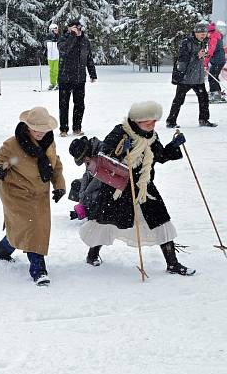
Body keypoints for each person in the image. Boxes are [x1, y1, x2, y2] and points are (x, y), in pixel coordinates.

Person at [79, 101, 195, 275]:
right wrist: (120, 152)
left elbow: (160, 156)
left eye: (154, 122)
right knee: (105, 222)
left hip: (143, 186)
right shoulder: (120, 131)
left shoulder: (151, 137)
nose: (152, 125)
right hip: (117, 187)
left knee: (160, 220)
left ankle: (172, 263)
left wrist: (174, 146)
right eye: (148, 123)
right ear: (136, 121)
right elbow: (103, 156)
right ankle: (92, 254)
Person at [0, 107, 66, 286]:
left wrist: (59, 185)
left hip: (40, 194)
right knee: (33, 228)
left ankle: (1, 251)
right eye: (35, 128)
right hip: (17, 193)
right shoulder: (13, 144)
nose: (39, 132)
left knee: (24, 229)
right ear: (27, 126)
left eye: (43, 128)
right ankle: (38, 270)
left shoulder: (49, 142)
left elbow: (56, 165)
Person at [166, 23, 217, 128]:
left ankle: (204, 120)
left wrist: (202, 58)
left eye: (205, 33)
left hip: (198, 78)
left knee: (204, 99)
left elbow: (199, 58)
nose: (203, 36)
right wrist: (196, 56)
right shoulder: (187, 42)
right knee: (179, 100)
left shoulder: (202, 42)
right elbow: (182, 59)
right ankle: (171, 121)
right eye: (201, 34)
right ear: (196, 33)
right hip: (186, 78)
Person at [57, 18, 97, 137]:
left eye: (79, 27)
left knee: (79, 105)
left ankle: (77, 128)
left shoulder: (85, 40)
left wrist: (92, 73)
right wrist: (72, 36)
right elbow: (64, 50)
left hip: (80, 78)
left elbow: (89, 58)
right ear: (69, 28)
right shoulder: (64, 38)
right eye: (74, 28)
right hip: (65, 78)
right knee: (64, 105)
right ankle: (63, 129)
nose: (77, 30)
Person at [66, 135, 103, 220]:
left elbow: (99, 178)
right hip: (94, 179)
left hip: (106, 182)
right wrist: (82, 193)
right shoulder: (88, 153)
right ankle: (87, 208)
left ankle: (91, 211)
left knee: (95, 195)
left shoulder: (101, 151)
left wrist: (85, 194)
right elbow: (86, 175)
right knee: (76, 185)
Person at [204, 22, 227, 104]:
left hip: (218, 60)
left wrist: (205, 63)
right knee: (214, 76)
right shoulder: (216, 36)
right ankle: (216, 92)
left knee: (212, 77)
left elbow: (210, 52)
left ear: (208, 32)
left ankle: (215, 94)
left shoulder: (213, 38)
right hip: (219, 60)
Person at [45, 23, 60, 90]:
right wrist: (41, 52)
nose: (56, 31)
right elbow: (45, 46)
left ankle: (59, 83)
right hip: (50, 57)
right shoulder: (47, 38)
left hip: (57, 56)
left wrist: (56, 36)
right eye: (54, 29)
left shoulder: (58, 37)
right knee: (51, 71)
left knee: (56, 70)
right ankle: (52, 83)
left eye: (57, 29)